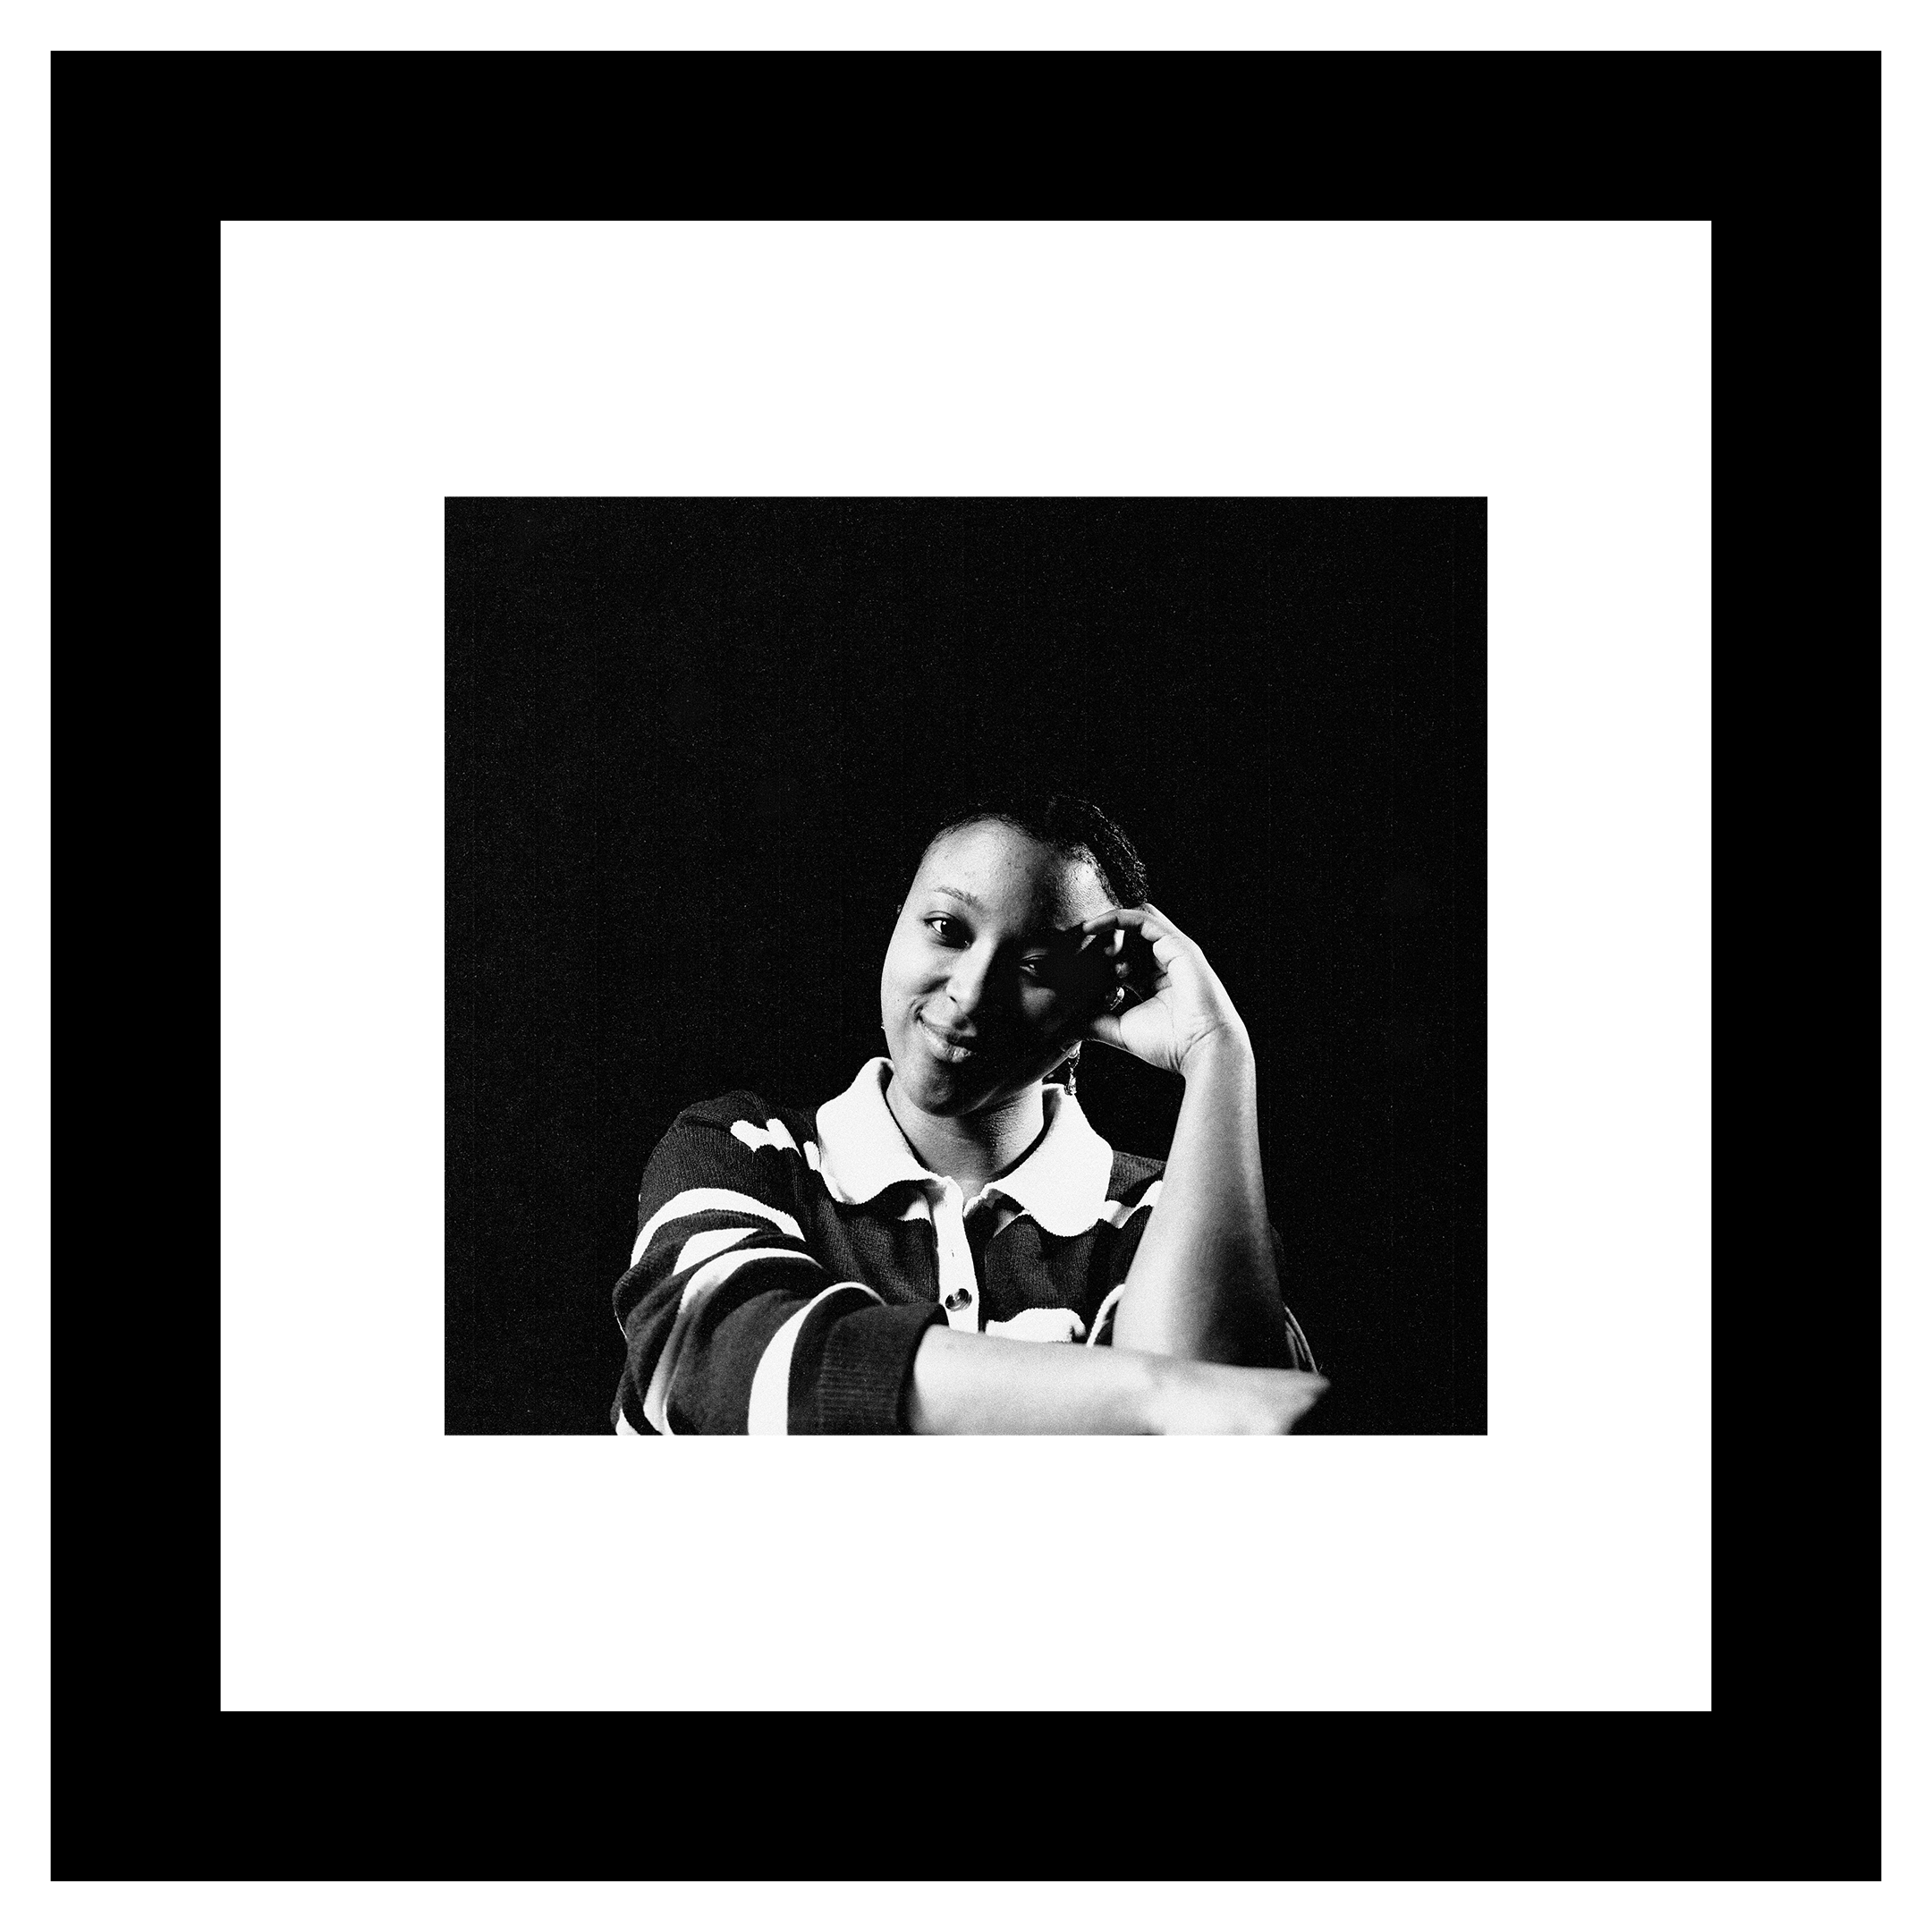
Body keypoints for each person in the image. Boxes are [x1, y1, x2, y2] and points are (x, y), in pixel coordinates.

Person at [610, 787, 1326, 1434]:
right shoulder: (743, 1150)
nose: (973, 992)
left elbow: (1223, 1462)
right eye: (948, 928)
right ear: (897, 924)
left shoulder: (1169, 1217)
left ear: (1103, 1000)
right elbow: (721, 1365)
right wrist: (1156, 1395)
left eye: (1038, 966)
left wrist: (1217, 1055)